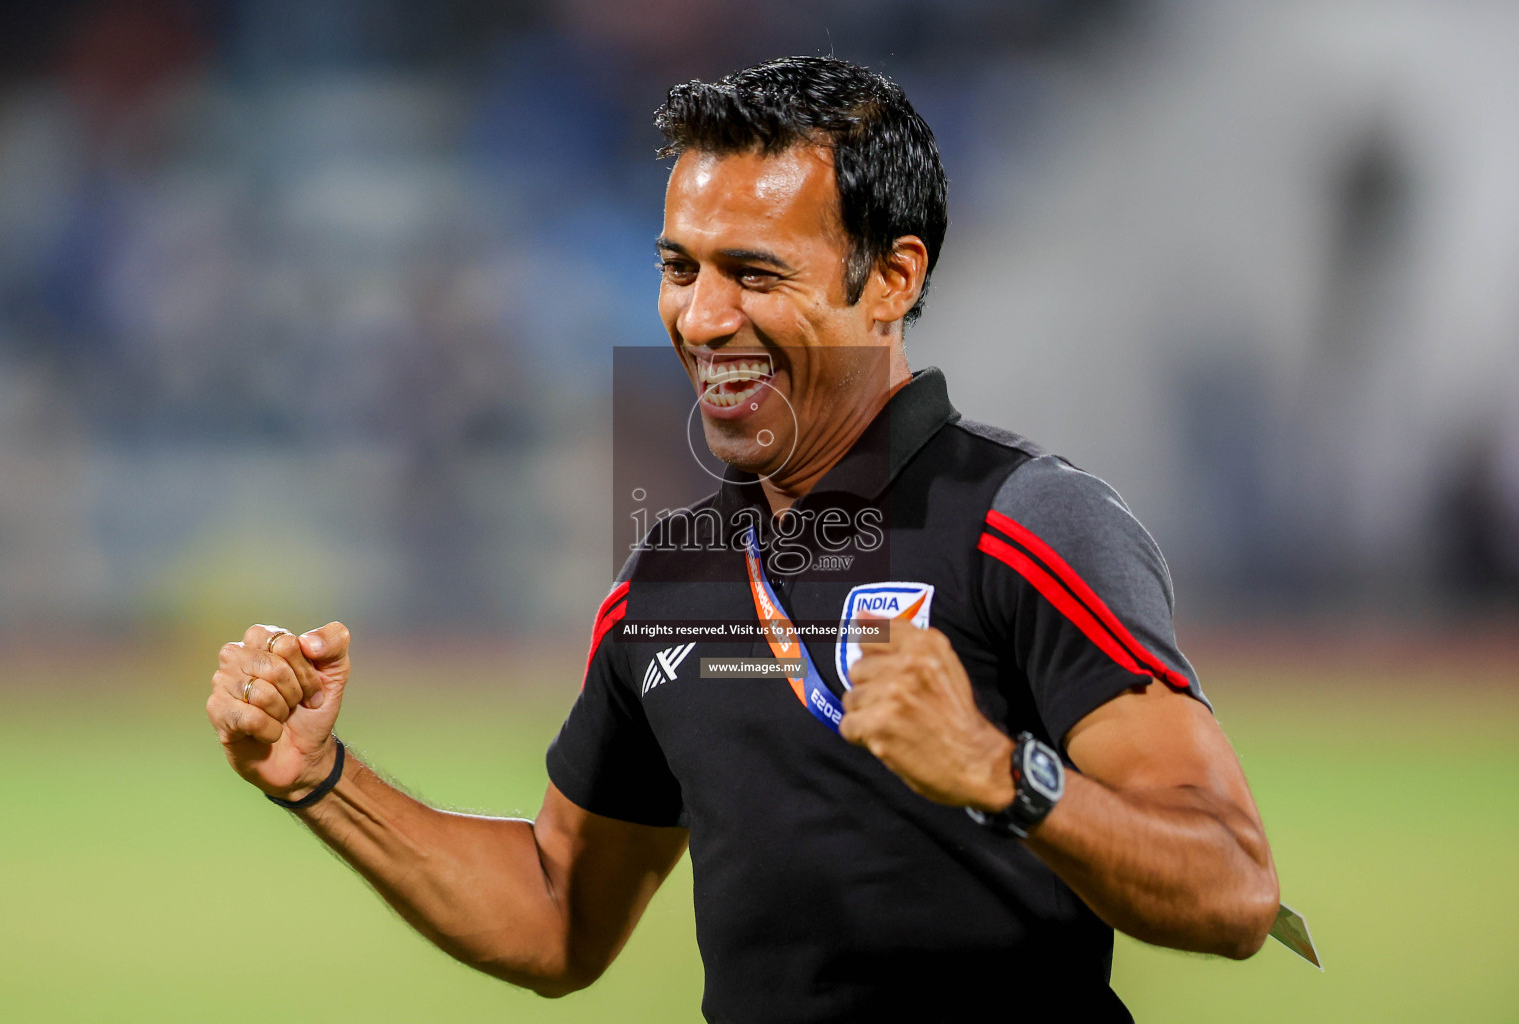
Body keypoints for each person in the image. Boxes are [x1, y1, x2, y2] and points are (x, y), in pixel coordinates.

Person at [205, 56, 1278, 1022]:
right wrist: (319, 776)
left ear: (892, 279)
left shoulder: (1026, 523)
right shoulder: (664, 583)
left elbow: (1233, 889)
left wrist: (1001, 770)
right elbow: (555, 916)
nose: (702, 318)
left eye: (756, 274)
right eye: (682, 268)